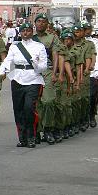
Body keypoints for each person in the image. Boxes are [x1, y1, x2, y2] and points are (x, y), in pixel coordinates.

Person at [0, 22, 47, 147]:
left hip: (33, 79)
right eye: (23, 31)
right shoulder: (15, 47)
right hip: (18, 79)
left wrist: (36, 65)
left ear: (32, 32)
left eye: (28, 30)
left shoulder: (39, 46)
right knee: (18, 109)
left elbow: (43, 66)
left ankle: (32, 136)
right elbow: (8, 60)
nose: (26, 33)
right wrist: (3, 68)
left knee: (29, 108)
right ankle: (22, 137)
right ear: (20, 33)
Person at [32, 14, 63, 142]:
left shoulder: (52, 38)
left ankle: (48, 129)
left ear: (47, 24)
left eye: (44, 22)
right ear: (35, 23)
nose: (41, 24)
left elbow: (55, 55)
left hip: (47, 71)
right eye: (38, 21)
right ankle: (37, 130)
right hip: (32, 73)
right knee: (36, 103)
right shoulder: (30, 37)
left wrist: (55, 73)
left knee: (48, 101)